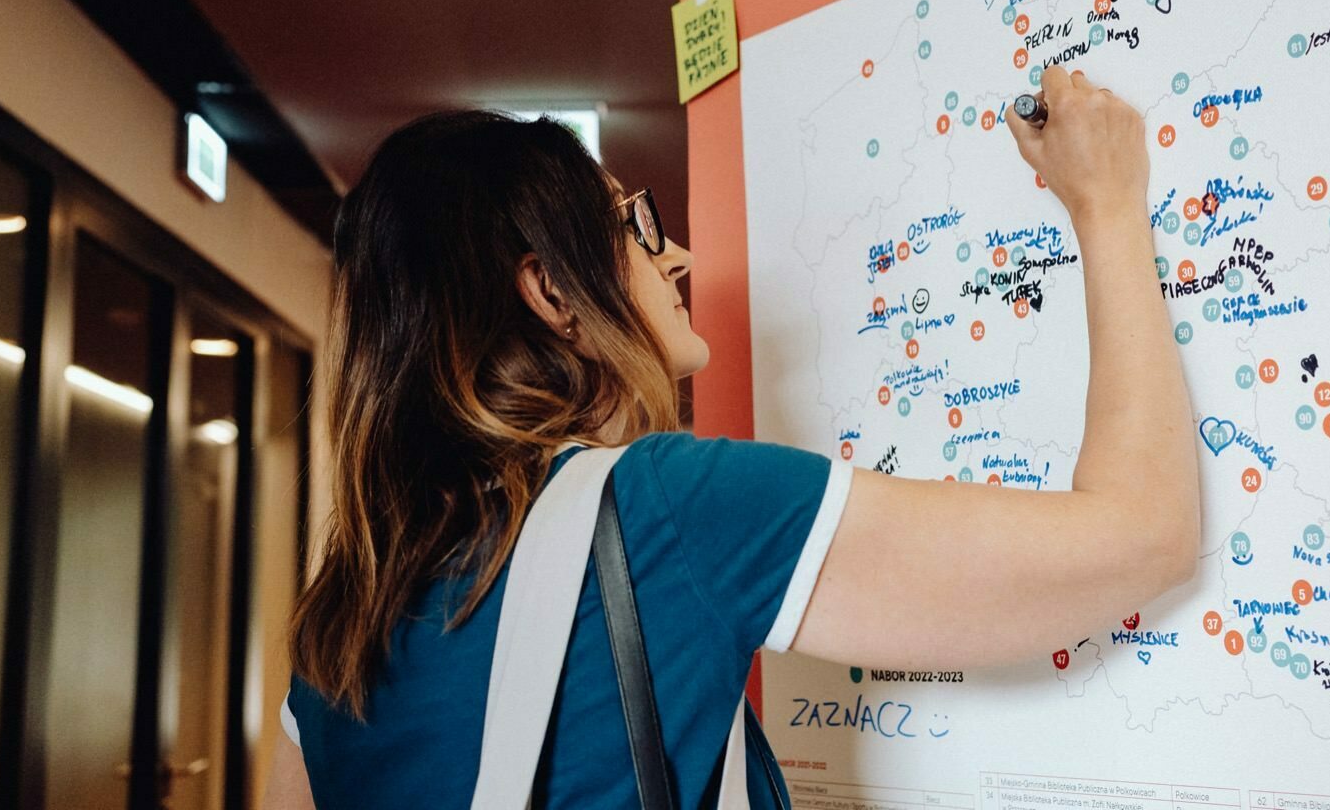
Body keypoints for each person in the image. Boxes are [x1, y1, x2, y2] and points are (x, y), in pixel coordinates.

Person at [265, 64, 1199, 808]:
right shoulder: (662, 506)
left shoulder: (343, 616)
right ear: (552, 292)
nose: (673, 255)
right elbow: (1145, 534)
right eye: (632, 225)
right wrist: (1108, 203)